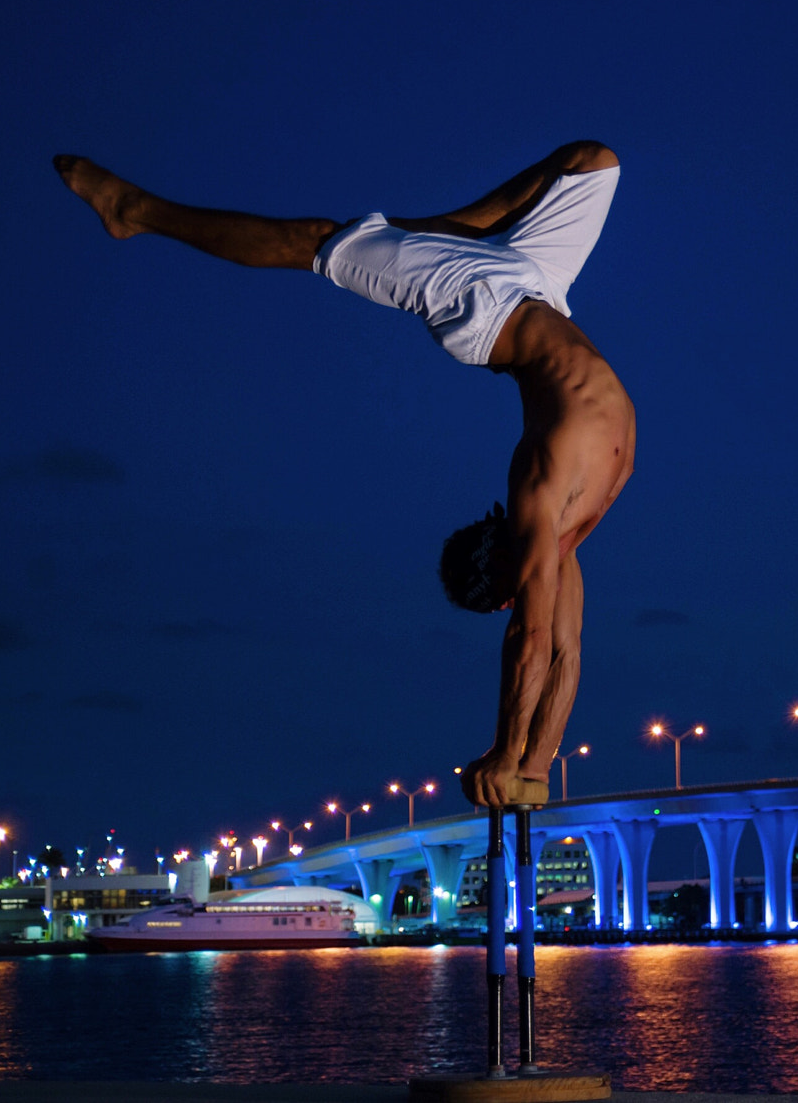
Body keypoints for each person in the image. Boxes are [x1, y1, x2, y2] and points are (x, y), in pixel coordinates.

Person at [54, 144, 636, 809]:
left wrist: (508, 757)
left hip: (483, 300)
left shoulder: (540, 494)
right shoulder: (559, 529)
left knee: (314, 242)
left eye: (509, 599)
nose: (517, 605)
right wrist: (530, 762)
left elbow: (537, 641)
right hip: (531, 288)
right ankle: (438, 229)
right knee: (595, 160)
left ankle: (137, 212)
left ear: (503, 578)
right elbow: (562, 648)